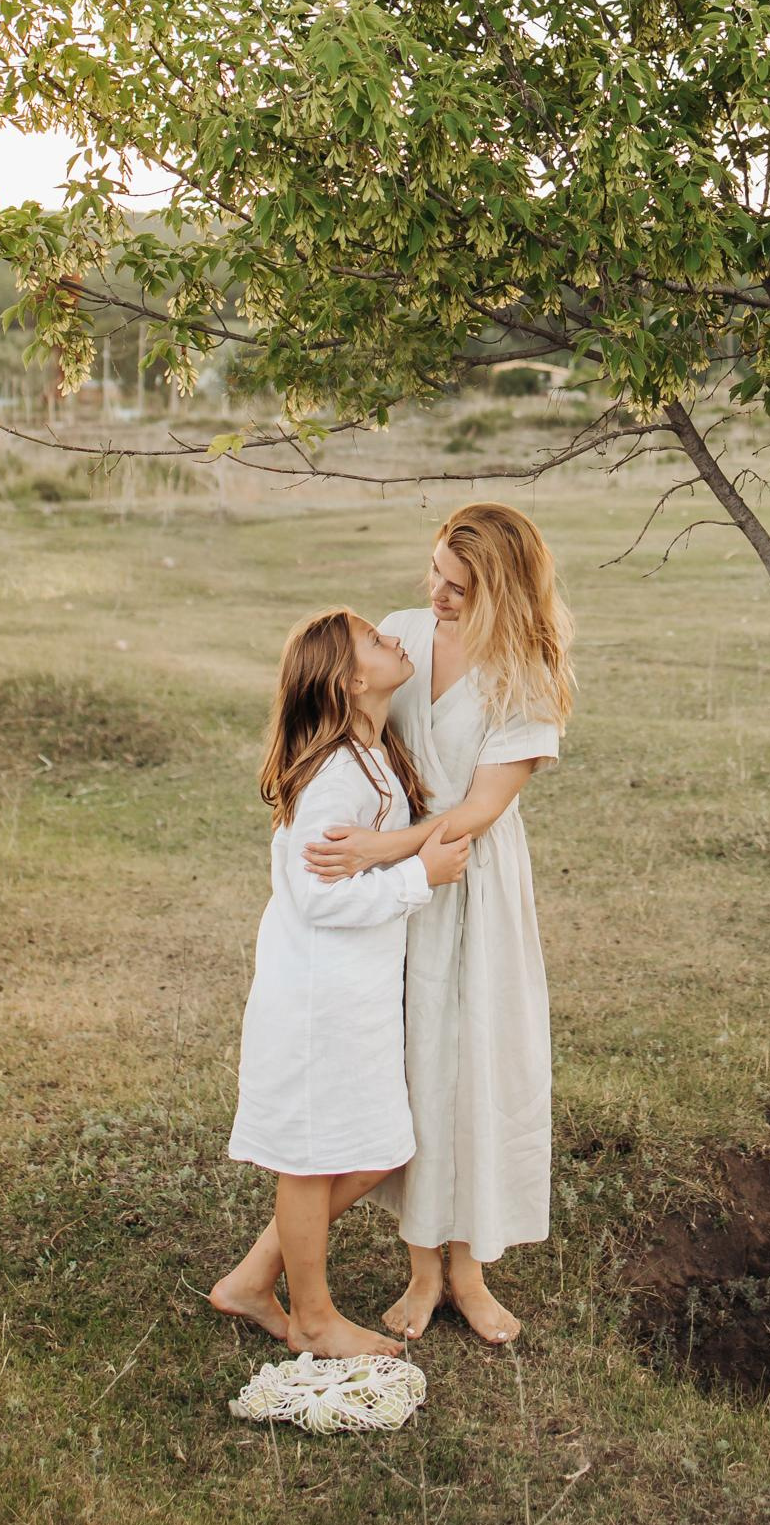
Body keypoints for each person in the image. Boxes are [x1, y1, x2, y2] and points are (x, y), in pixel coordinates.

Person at [304, 502, 572, 1345]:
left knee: (475, 1064)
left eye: (458, 588)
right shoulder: (401, 635)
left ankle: (470, 1270)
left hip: (473, 881)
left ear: (503, 589)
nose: (437, 597)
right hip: (402, 887)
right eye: (433, 576)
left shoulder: (526, 671)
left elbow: (483, 809)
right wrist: (360, 840)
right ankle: (422, 1269)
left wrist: (384, 846)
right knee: (415, 1064)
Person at [210, 610, 471, 1358]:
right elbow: (318, 899)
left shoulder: (370, 756)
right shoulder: (333, 779)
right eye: (377, 642)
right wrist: (419, 876)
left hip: (352, 997)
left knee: (380, 1149)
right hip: (317, 1000)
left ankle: (254, 1280)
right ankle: (315, 1319)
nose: (396, 639)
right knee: (315, 1156)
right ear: (352, 680)